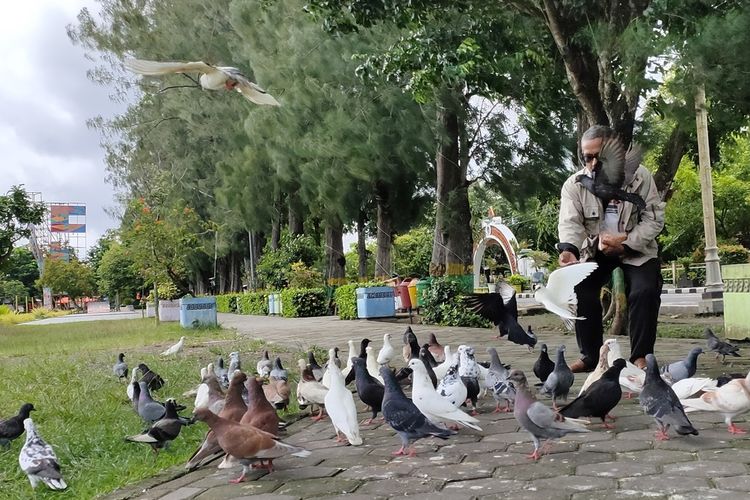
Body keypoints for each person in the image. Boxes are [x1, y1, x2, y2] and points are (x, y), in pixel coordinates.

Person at [557, 125, 665, 373]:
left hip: (635, 248)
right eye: (587, 157)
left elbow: (654, 219)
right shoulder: (573, 185)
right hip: (596, 250)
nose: (593, 162)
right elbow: (569, 223)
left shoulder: (641, 176)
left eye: (599, 155)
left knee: (645, 290)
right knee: (580, 288)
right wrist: (569, 250)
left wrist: (626, 241)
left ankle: (640, 356)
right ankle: (591, 357)